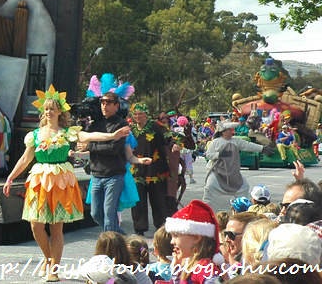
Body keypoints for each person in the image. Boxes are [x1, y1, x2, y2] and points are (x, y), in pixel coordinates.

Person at [2, 89, 84, 282]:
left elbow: (90, 136)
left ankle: (54, 269)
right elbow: (25, 159)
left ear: (60, 112)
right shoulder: (35, 135)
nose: (49, 112)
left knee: (56, 228)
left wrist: (112, 135)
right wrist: (10, 178)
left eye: (53, 109)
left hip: (60, 181)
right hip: (39, 180)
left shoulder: (66, 133)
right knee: (36, 225)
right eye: (46, 109)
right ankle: (48, 258)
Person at [78, 91, 131, 233]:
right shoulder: (95, 124)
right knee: (95, 214)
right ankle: (121, 237)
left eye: (108, 103)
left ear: (116, 106)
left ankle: (110, 242)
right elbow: (83, 139)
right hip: (96, 175)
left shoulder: (122, 124)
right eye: (102, 102)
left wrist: (90, 146)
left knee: (109, 215)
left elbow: (113, 148)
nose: (104, 105)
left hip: (114, 176)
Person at [202, 120, 272, 211]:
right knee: (209, 188)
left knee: (244, 187)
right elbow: (208, 154)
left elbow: (248, 145)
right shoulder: (215, 142)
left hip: (232, 172)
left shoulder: (236, 141)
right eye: (230, 130)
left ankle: (242, 210)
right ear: (223, 131)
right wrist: (219, 155)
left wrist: (262, 149)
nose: (232, 132)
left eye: (232, 130)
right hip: (217, 172)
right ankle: (204, 210)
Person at [129, 102, 172, 236]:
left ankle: (161, 227)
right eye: (135, 114)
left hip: (156, 169)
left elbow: (170, 138)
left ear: (146, 114)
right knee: (138, 201)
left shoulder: (156, 126)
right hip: (137, 170)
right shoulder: (130, 130)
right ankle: (139, 228)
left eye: (141, 114)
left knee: (158, 200)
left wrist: (174, 145)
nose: (138, 116)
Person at [164, 199, 224, 283]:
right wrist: (176, 270)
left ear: (196, 238)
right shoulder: (190, 264)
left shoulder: (204, 267)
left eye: (176, 236)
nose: (172, 241)